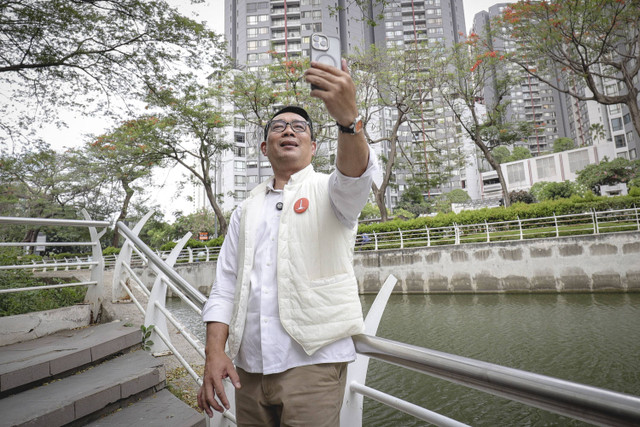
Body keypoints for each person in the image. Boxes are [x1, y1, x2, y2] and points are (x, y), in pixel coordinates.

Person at [197, 59, 377, 426]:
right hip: (247, 369)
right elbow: (225, 285)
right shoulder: (244, 210)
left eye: (299, 127)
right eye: (279, 127)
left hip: (314, 365)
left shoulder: (332, 190)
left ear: (313, 146)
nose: (289, 131)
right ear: (265, 147)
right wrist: (214, 353)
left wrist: (349, 122)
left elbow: (356, 176)